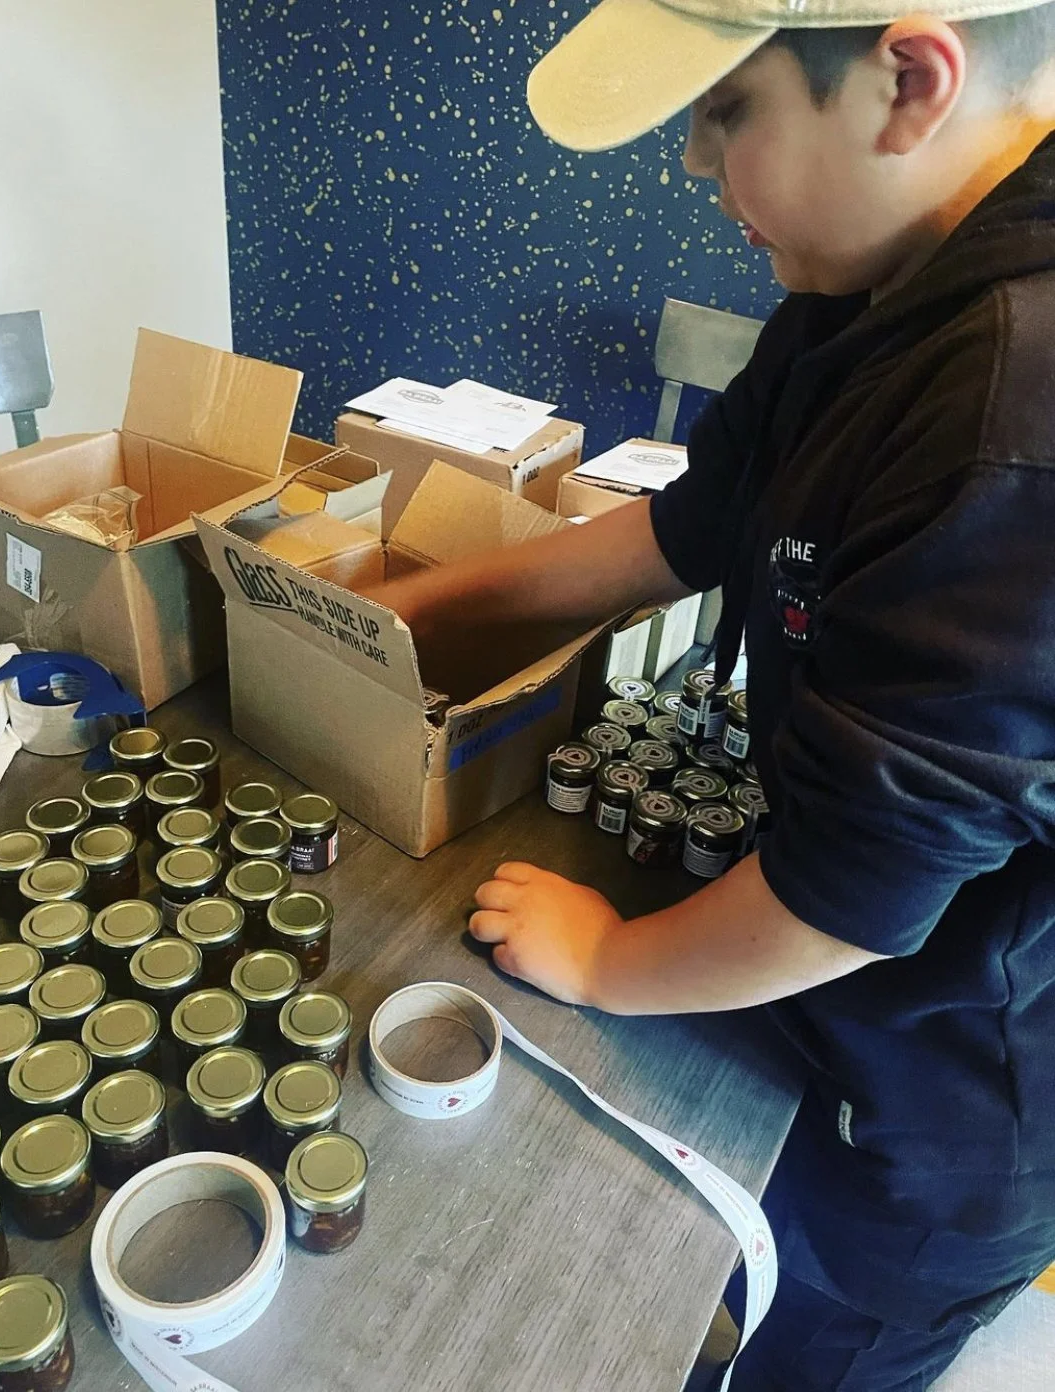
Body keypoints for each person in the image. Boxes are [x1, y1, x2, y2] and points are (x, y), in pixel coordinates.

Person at [366, 1, 1055, 1387]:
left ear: (911, 81)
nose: (692, 158)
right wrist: (420, 610)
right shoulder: (863, 287)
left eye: (729, 109)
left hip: (938, 1110)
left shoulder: (1011, 414)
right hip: (817, 986)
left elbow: (851, 897)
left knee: (813, 1339)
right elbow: (695, 527)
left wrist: (608, 965)